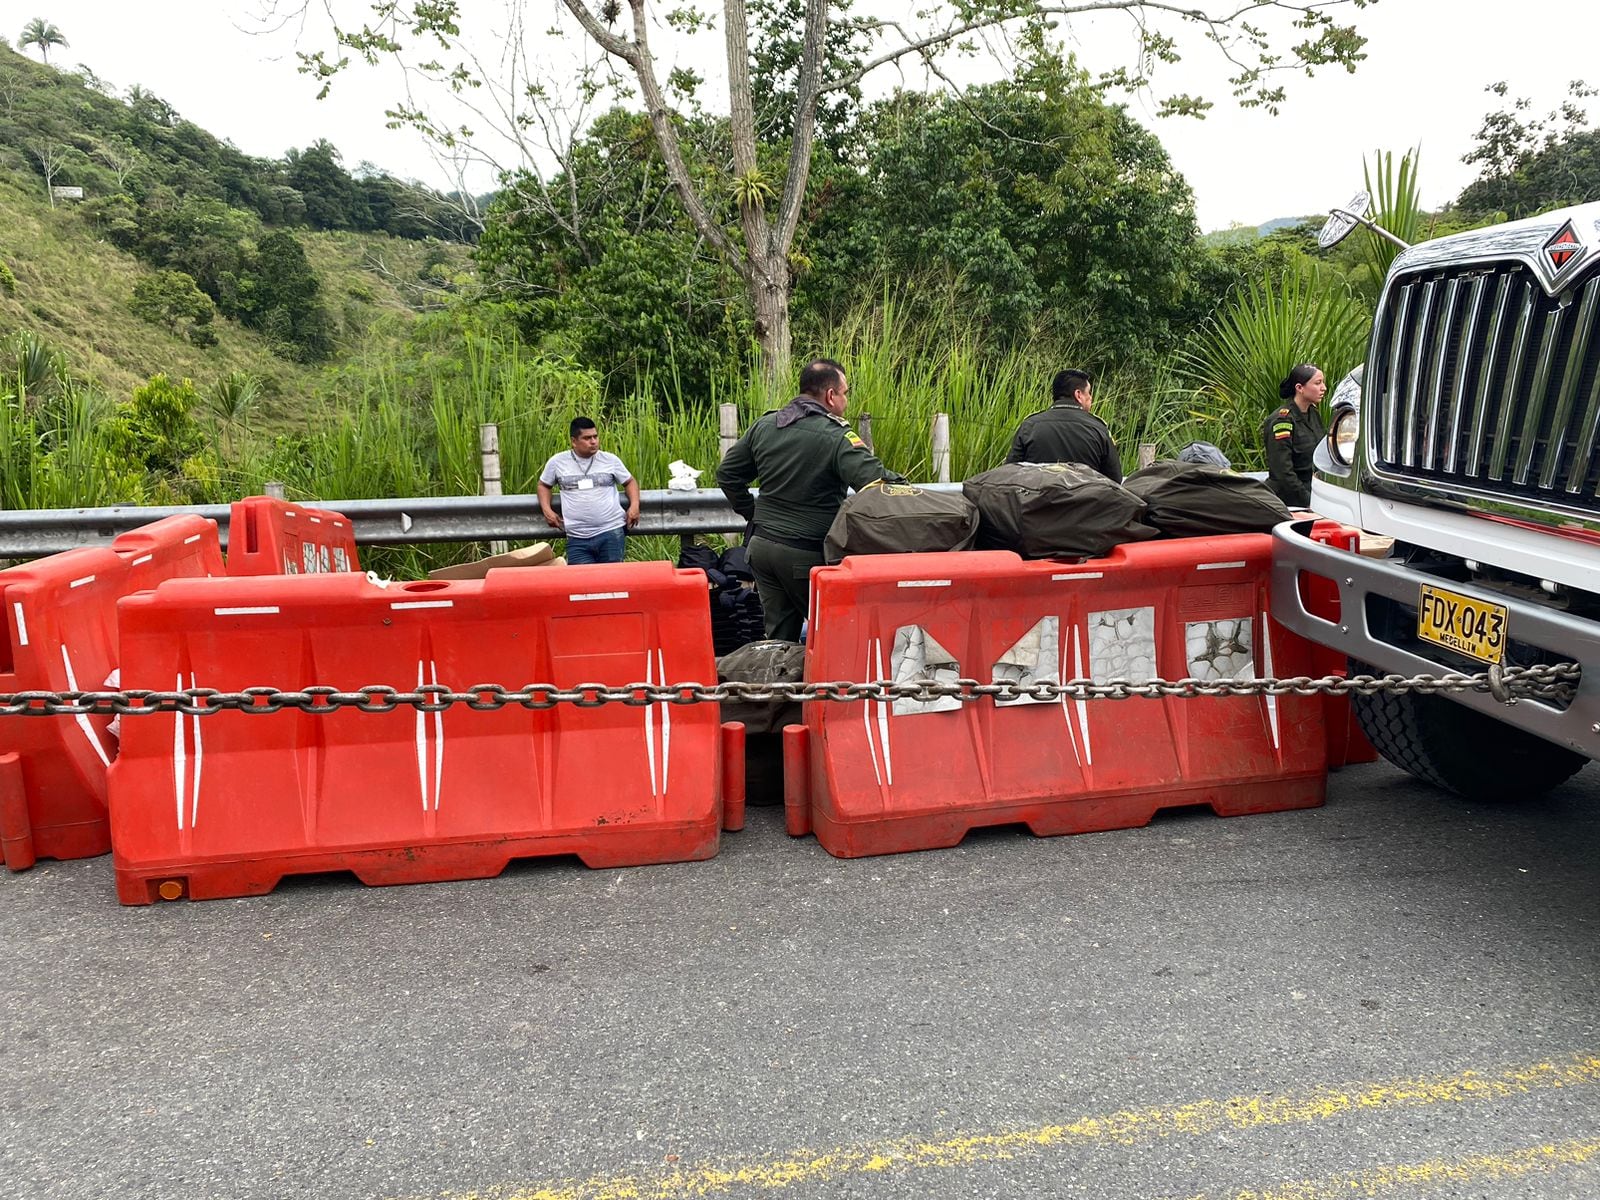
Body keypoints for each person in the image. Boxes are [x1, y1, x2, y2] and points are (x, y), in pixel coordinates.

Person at [717, 358, 904, 642]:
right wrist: (906, 486)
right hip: (805, 556)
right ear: (831, 396)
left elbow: (728, 474)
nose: (846, 401)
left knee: (779, 640)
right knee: (836, 634)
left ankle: (781, 685)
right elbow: (875, 483)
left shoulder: (766, 425)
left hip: (761, 549)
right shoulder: (835, 436)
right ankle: (827, 687)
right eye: (845, 393)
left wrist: (753, 513)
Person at [537, 416, 640, 564]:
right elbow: (543, 485)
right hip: (577, 536)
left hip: (611, 531)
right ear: (574, 441)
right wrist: (547, 510)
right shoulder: (557, 462)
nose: (593, 441)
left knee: (612, 583)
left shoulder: (610, 460)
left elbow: (630, 482)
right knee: (582, 584)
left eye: (595, 436)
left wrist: (634, 506)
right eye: (587, 438)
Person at [1005, 368, 1122, 482]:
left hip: (1036, 500)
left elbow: (1009, 473)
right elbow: (1115, 479)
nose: (1090, 398)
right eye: (1089, 393)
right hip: (1084, 501)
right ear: (1078, 395)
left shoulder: (1029, 425)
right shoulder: (1099, 429)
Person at [1262, 364, 1328, 508]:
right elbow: (1283, 473)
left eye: (1323, 382)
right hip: (1290, 502)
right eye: (1318, 383)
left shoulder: (1313, 413)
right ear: (1299, 388)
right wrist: (1309, 501)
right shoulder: (1282, 421)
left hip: (1314, 493)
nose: (1324, 388)